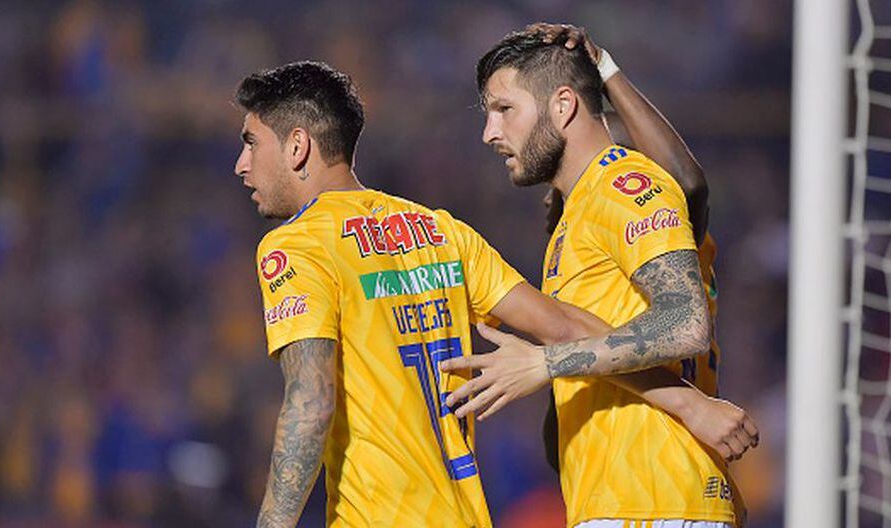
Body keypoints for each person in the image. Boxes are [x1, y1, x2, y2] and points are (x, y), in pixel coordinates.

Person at [237, 61, 753, 528]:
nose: (242, 164)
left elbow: (311, 403)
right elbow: (567, 326)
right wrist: (688, 403)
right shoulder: (441, 232)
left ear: (298, 146)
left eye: (252, 143)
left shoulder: (296, 246)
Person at [444, 24, 751, 528]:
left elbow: (684, 322)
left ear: (563, 105)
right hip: (624, 499)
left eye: (504, 109)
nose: (490, 133)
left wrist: (544, 363)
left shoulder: (624, 185)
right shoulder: (579, 212)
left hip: (656, 498)